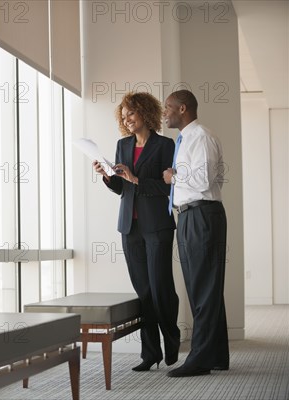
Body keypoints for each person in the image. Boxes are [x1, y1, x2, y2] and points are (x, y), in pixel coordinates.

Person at [93, 92, 180, 372]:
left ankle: (172, 338)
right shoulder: (122, 145)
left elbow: (169, 187)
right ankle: (150, 352)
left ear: (144, 112)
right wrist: (108, 177)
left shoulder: (165, 145)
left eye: (131, 113)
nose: (127, 119)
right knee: (143, 290)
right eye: (124, 115)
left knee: (160, 287)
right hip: (130, 227)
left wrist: (136, 178)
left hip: (157, 226)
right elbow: (123, 189)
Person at [162, 89, 229, 377]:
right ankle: (216, 355)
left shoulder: (200, 136)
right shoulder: (187, 139)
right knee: (204, 287)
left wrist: (173, 177)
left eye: (168, 108)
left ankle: (200, 360)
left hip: (201, 214)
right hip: (192, 216)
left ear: (183, 108)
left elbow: (205, 179)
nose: (165, 113)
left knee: (203, 288)